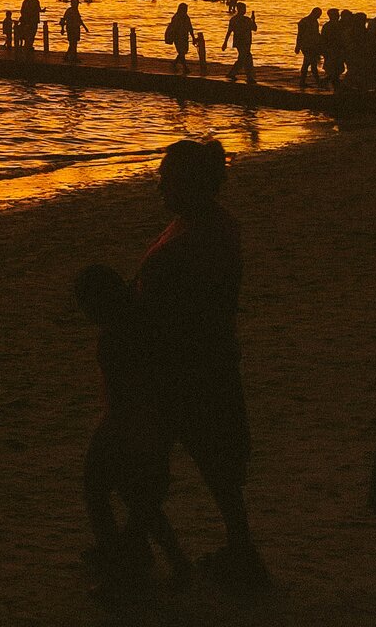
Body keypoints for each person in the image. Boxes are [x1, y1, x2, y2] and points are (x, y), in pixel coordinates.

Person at [136, 140, 267, 594]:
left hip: (190, 365)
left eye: (165, 178)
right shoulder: (204, 225)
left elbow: (191, 306)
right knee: (208, 465)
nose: (158, 186)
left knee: (156, 461)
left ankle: (144, 554)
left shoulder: (201, 235)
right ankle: (237, 551)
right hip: (201, 362)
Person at [74, 264, 191, 598]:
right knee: (140, 499)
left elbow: (124, 396)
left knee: (99, 491)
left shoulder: (114, 340)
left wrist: (116, 432)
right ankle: (169, 557)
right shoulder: (145, 320)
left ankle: (119, 567)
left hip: (129, 428)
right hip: (158, 424)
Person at [222, 6, 257, 85]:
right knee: (246, 58)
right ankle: (249, 77)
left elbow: (254, 28)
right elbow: (229, 31)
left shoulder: (242, 20)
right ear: (240, 9)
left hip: (244, 42)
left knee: (243, 58)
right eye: (243, 9)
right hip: (242, 42)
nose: (244, 10)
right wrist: (225, 43)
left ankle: (233, 74)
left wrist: (253, 20)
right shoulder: (240, 20)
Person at [295, 8, 324, 88]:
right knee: (312, 64)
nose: (318, 17)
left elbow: (316, 34)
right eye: (318, 15)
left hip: (312, 45)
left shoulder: (315, 21)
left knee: (307, 63)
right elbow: (300, 34)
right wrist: (297, 46)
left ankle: (303, 81)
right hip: (306, 46)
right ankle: (318, 82)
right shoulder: (304, 22)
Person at [164, 4, 194, 75]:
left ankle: (174, 63)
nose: (186, 11)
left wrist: (193, 37)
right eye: (185, 9)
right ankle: (185, 67)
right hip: (177, 37)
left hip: (184, 37)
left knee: (183, 52)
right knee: (181, 52)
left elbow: (190, 27)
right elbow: (174, 28)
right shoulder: (176, 17)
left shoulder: (186, 17)